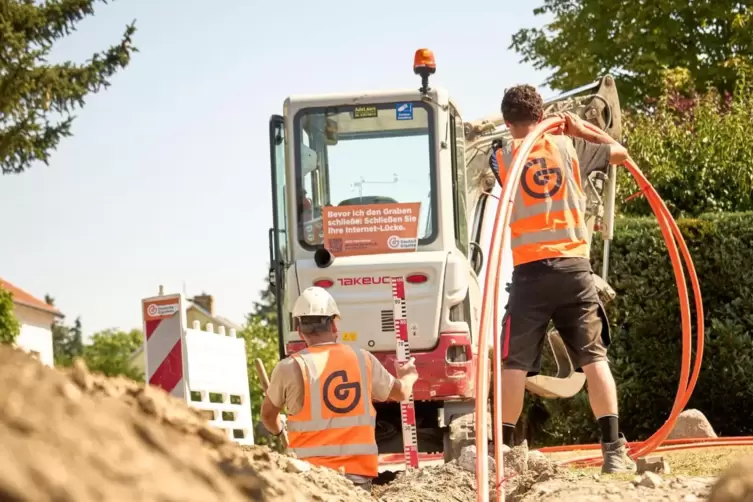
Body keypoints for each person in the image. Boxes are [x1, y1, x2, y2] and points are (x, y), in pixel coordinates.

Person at [491, 84, 635, 474]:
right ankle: (613, 452)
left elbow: (502, 176)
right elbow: (618, 152)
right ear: (543, 116)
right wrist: (578, 129)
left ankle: (502, 456)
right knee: (593, 359)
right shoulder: (572, 149)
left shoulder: (502, 156)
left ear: (507, 122)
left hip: (529, 274)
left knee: (513, 365)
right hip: (574, 269)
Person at [260, 286, 419, 492]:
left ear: (300, 331)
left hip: (309, 479)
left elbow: (268, 416)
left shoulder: (289, 367)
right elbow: (401, 393)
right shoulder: (363, 359)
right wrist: (408, 376)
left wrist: (279, 430)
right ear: (334, 326)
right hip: (356, 479)